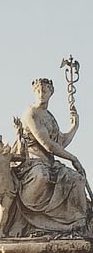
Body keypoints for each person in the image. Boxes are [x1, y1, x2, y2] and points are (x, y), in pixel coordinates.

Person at [10, 78, 89, 235]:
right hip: (32, 162)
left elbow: (59, 142)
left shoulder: (49, 116)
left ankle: (78, 222)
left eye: (45, 91)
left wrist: (74, 127)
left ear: (51, 93)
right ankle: (38, 219)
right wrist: (73, 158)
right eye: (38, 91)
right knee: (42, 176)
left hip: (50, 163)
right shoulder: (31, 113)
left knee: (77, 179)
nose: (41, 94)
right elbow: (48, 145)